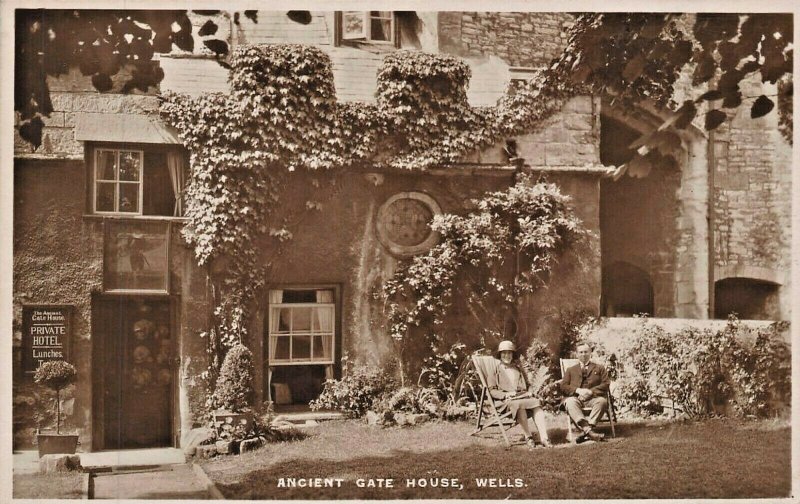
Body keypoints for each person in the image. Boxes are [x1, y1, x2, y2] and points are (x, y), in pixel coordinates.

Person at [490, 340, 551, 449]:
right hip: (505, 402)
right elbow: (492, 390)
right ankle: (528, 437)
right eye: (504, 353)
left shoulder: (518, 369)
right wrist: (505, 395)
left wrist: (530, 391)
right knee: (519, 405)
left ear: (513, 354)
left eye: (509, 353)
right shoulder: (495, 371)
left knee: (536, 403)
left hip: (521, 397)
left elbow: (528, 385)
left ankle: (544, 438)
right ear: (500, 355)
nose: (507, 356)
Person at [560, 342, 609, 443]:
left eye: (586, 352)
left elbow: (606, 384)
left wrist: (590, 392)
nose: (583, 354)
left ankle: (586, 431)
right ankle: (590, 432)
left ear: (590, 353)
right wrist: (578, 390)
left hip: (593, 398)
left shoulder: (599, 368)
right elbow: (563, 386)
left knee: (602, 401)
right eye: (581, 352)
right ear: (577, 354)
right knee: (569, 402)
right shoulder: (570, 370)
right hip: (576, 398)